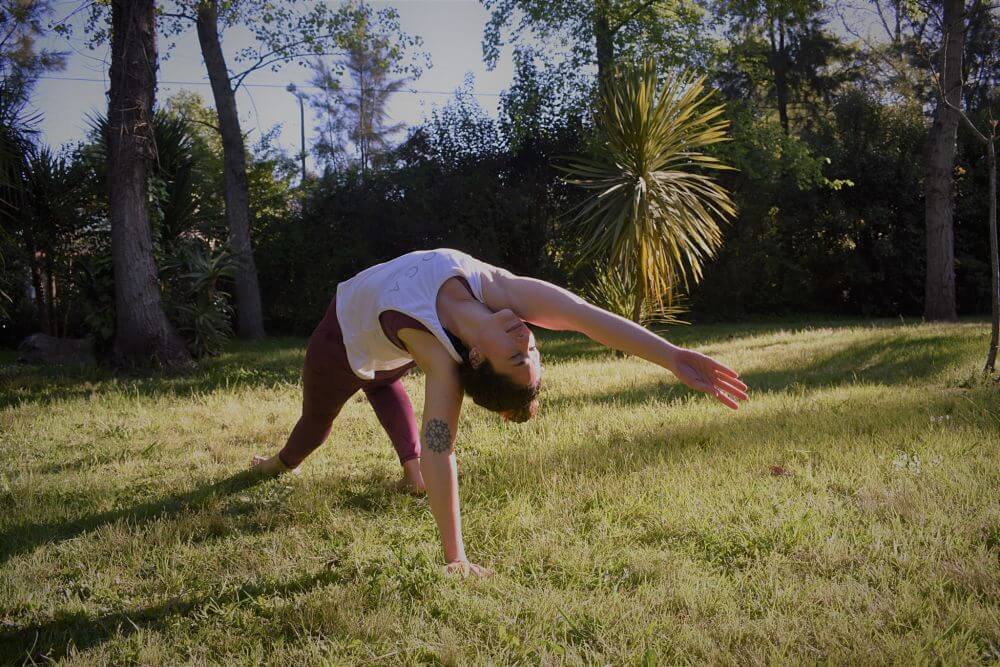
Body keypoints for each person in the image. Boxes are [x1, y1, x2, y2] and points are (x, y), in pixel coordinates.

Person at [251, 248, 748, 577]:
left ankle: (290, 464)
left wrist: (456, 558)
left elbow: (441, 450)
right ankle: (320, 468)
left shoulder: (442, 361)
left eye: (516, 357)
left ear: (476, 359)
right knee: (353, 406)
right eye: (533, 353)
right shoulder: (495, 288)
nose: (527, 341)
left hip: (344, 344)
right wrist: (672, 356)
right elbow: (582, 315)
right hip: (359, 344)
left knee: (355, 407)